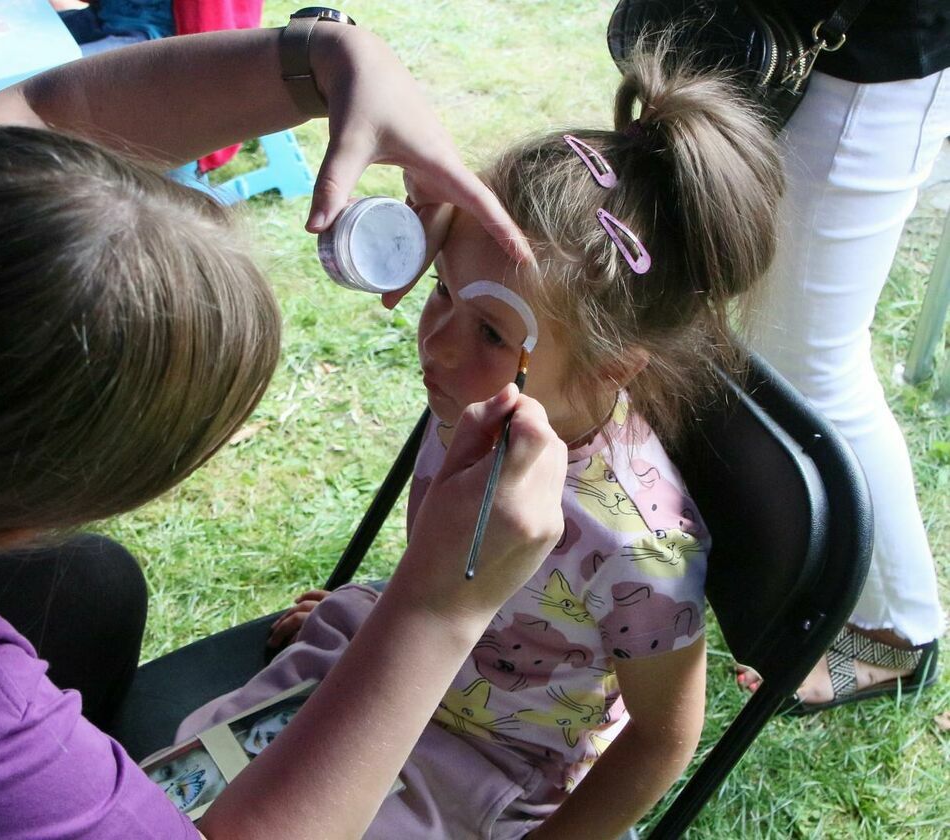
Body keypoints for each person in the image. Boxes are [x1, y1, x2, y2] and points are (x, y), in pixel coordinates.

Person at [0, 20, 571, 840]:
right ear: (1, 523)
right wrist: (436, 608)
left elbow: (49, 109)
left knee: (86, 588)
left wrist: (324, 59)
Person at [177, 45, 784, 840]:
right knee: (189, 782)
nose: (437, 344)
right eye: (442, 291)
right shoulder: (483, 396)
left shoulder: (638, 548)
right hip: (397, 662)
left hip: (492, 764)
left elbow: (665, 738)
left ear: (613, 365)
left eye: (492, 329)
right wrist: (388, 609)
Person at [736, 0, 948, 714]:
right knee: (762, 332)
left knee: (812, 363)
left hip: (863, 51)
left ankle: (897, 636)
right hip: (776, 36)